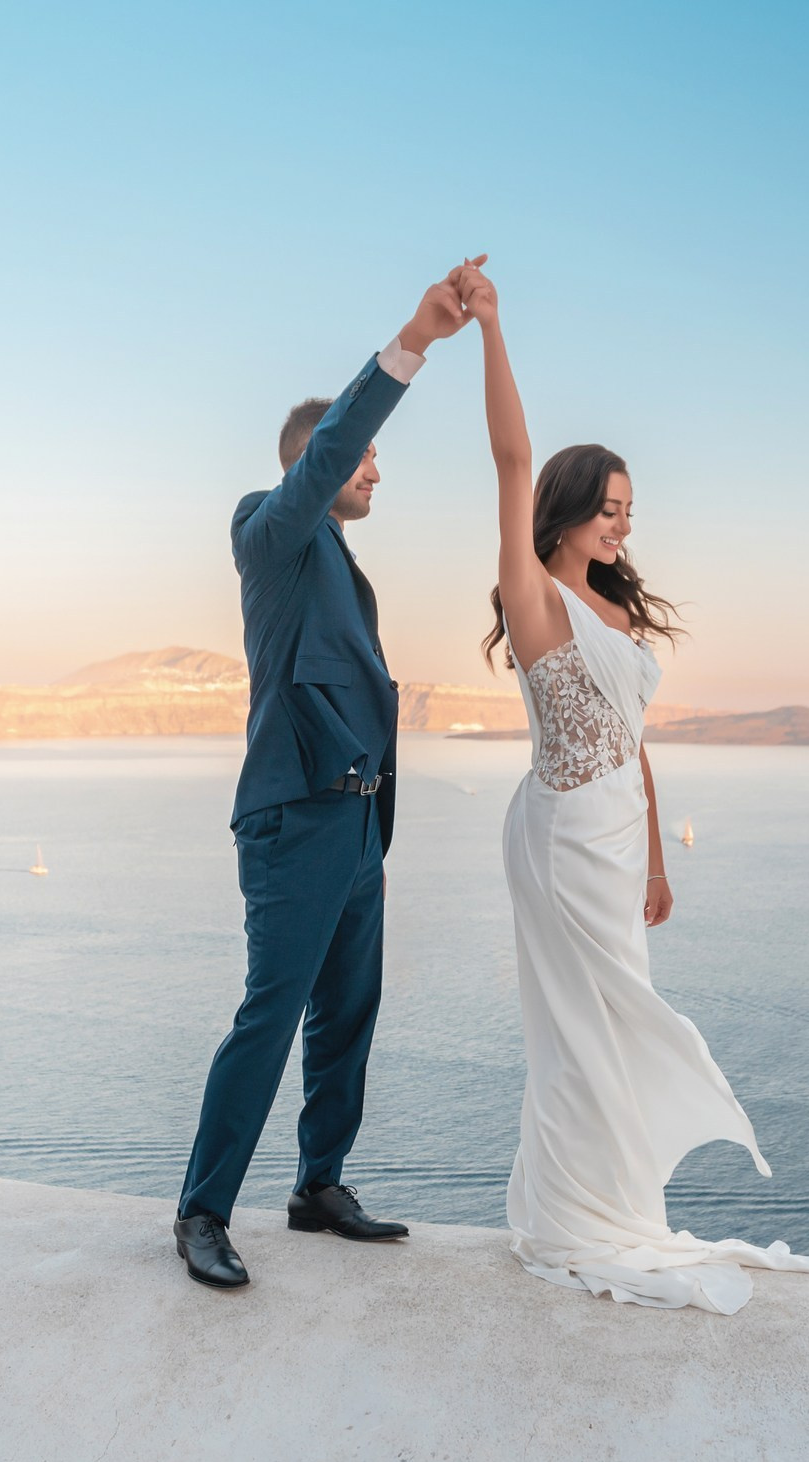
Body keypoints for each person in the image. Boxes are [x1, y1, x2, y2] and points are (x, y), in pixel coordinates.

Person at [463, 260, 809, 1313]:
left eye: (629, 511)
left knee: (618, 1014)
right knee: (578, 1028)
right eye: (604, 509)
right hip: (556, 838)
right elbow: (508, 457)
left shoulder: (619, 616)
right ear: (561, 513)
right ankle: (571, 1216)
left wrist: (654, 860)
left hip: (613, 834)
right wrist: (492, 326)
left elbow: (633, 738)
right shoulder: (536, 597)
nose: (621, 526)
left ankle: (608, 1198)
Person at [173, 268, 473, 1290]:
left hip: (353, 824)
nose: (377, 475)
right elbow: (336, 445)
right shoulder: (270, 526)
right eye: (366, 460)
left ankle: (317, 1187)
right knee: (271, 1012)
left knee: (349, 1011)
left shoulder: (338, 559)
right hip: (294, 817)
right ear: (321, 461)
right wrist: (412, 344)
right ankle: (203, 1211)